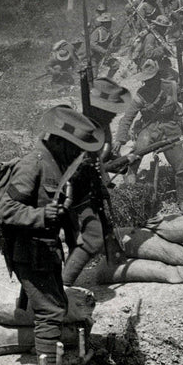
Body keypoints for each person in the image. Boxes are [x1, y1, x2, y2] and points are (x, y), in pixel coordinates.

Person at [0, 106, 104, 365]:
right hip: (28, 249)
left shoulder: (58, 165)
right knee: (50, 312)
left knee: (54, 307)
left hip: (45, 251)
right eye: (74, 147)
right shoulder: (34, 163)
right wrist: (41, 215)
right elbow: (6, 210)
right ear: (58, 141)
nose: (77, 154)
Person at [62, 79, 132, 287]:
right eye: (109, 111)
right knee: (94, 236)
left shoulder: (102, 126)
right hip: (74, 191)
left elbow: (101, 159)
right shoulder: (81, 127)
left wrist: (117, 163)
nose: (113, 115)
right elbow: (74, 166)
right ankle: (64, 285)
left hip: (89, 187)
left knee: (95, 231)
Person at [114, 60, 183, 215]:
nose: (148, 82)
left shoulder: (172, 87)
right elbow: (128, 117)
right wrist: (120, 138)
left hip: (171, 128)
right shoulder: (141, 94)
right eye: (146, 80)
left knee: (181, 168)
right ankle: (131, 185)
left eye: (152, 79)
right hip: (149, 128)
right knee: (136, 155)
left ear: (158, 77)